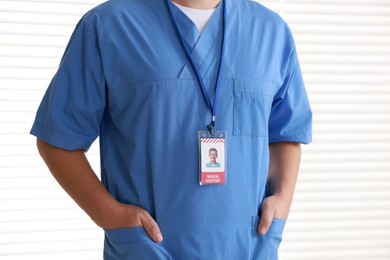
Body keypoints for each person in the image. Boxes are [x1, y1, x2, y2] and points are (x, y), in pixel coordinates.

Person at [31, 0, 312, 259]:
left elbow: (284, 132)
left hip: (249, 246)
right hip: (149, 249)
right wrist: (111, 215)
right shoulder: (107, 26)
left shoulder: (271, 32)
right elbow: (57, 138)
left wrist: (282, 198)